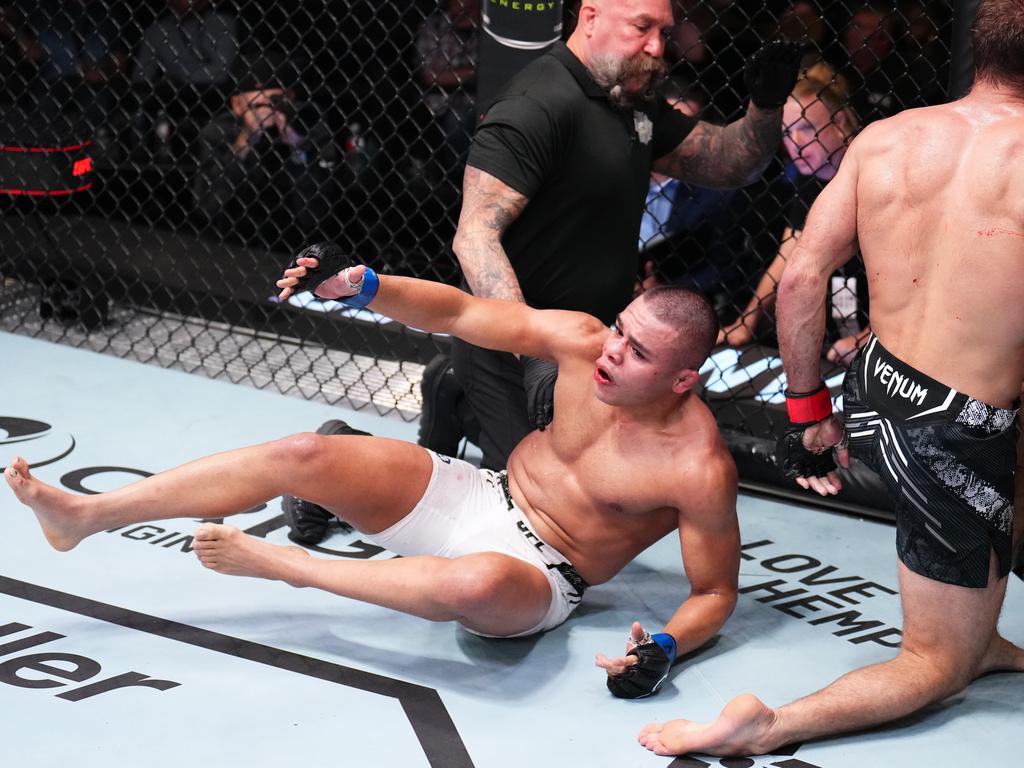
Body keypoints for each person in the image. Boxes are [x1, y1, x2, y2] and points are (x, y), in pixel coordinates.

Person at [6, 243, 741, 700]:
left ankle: (288, 566)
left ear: (683, 381)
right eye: (621, 331)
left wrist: (666, 648)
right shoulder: (584, 344)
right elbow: (460, 314)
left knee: (473, 582)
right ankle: (84, 516)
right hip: (488, 492)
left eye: (640, 354)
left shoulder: (697, 467)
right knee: (303, 455)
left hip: (541, 574)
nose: (613, 353)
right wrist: (364, 287)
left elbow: (714, 591)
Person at [637, 0, 1024, 756]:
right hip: (949, 428)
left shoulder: (887, 137)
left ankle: (981, 631)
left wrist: (806, 411)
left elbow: (802, 278)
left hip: (875, 390)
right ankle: (772, 724)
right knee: (932, 663)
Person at [449, 0, 804, 471]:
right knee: (542, 507)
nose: (657, 47)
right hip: (512, 347)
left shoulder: (630, 101)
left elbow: (728, 163)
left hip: (599, 341)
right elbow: (474, 236)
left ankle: (450, 394)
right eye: (642, 28)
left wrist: (765, 106)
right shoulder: (535, 104)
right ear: (591, 17)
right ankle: (430, 405)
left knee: (597, 491)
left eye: (664, 32)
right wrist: (533, 349)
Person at [718, 63, 871, 366]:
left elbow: (912, 270)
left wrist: (872, 337)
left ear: (838, 121)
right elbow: (791, 249)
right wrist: (748, 319)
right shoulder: (812, 174)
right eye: (786, 132)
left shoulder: (874, 172)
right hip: (846, 298)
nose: (795, 145)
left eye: (806, 128)